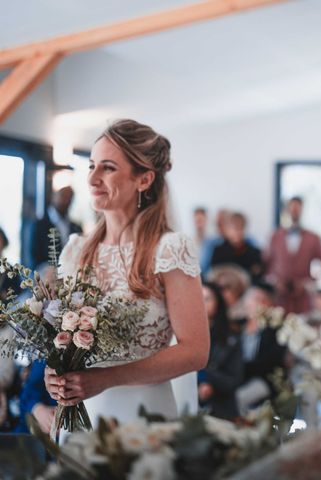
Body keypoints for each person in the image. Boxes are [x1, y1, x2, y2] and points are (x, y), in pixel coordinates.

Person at [44, 119, 209, 429]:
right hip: (80, 417)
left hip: (144, 417)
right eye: (92, 165)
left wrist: (107, 378)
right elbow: (62, 334)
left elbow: (196, 351)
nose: (92, 178)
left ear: (143, 180)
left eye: (107, 168)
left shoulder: (170, 249)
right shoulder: (76, 251)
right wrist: (54, 372)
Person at [265, 197, 321, 314]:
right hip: (280, 298)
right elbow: (268, 264)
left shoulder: (313, 238)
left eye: (297, 209)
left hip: (303, 298)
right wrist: (276, 282)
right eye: (291, 209)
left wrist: (307, 283)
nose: (294, 212)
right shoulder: (275, 237)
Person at [235, 283, 288, 415]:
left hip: (263, 379)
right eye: (254, 299)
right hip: (236, 377)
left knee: (239, 398)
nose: (257, 304)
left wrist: (240, 368)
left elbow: (270, 361)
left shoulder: (275, 330)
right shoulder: (237, 327)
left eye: (262, 300)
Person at [198, 282, 243, 420]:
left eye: (207, 299)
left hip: (221, 409)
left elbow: (234, 379)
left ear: (218, 303)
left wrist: (207, 379)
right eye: (199, 298)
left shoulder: (231, 338)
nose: (201, 303)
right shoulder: (184, 335)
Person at [27, 186, 83, 270]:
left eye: (70, 197)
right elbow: (33, 258)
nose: (66, 200)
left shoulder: (76, 227)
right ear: (53, 196)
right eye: (63, 196)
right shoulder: (39, 225)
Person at [211, 212, 264, 284]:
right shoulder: (218, 251)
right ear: (227, 230)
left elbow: (257, 276)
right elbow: (215, 275)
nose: (237, 232)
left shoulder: (254, 253)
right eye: (234, 228)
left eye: (240, 228)